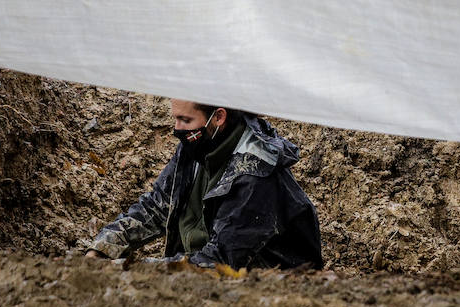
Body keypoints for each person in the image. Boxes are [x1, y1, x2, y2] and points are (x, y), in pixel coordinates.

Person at [83, 99, 323, 269]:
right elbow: (157, 206)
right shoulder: (197, 145)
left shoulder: (255, 173)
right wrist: (104, 247)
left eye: (185, 120)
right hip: (205, 269)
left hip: (268, 290)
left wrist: (129, 269)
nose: (177, 129)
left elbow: (220, 259)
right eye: (176, 118)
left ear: (218, 117)